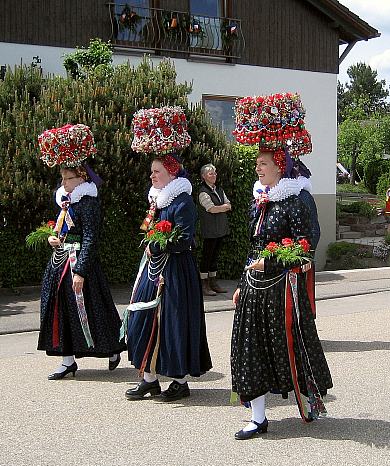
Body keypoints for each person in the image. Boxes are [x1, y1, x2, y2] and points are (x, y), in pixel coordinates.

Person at [231, 92, 332, 439]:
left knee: (292, 343)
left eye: (262, 163)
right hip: (255, 286)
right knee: (250, 348)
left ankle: (309, 397)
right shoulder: (259, 199)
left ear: (279, 164)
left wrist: (270, 260)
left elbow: (307, 242)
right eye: (257, 164)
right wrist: (244, 282)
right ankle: (258, 417)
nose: (257, 168)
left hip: (284, 288)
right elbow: (253, 243)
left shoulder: (297, 197)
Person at [125, 107, 212, 401]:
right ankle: (148, 377)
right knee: (143, 319)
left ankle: (178, 380)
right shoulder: (158, 200)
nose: (151, 175)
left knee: (172, 323)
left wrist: (159, 244)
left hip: (176, 271)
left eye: (156, 171)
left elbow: (185, 239)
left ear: (171, 173)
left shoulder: (183, 201)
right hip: (154, 269)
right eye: (151, 171)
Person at [36, 124, 125, 379]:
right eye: (62, 179)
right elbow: (64, 229)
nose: (63, 183)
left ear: (81, 178)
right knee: (58, 308)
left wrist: (81, 271)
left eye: (68, 178)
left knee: (93, 308)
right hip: (60, 261)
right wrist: (55, 238)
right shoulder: (66, 201)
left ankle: (112, 348)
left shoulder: (88, 201)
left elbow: (91, 237)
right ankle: (67, 360)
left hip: (79, 264)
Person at [198, 163, 231, 296]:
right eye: (211, 173)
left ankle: (213, 282)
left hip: (220, 229)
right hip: (210, 230)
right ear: (204, 176)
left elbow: (229, 204)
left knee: (215, 257)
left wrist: (221, 207)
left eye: (215, 173)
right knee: (207, 257)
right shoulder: (203, 192)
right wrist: (223, 207)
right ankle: (204, 284)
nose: (214, 175)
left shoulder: (219, 190)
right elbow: (210, 208)